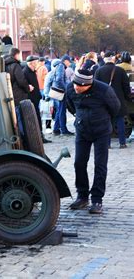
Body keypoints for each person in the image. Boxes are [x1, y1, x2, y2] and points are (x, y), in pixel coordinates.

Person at [66, 69, 120, 214]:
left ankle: (97, 199)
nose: (77, 88)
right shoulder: (71, 88)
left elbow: (115, 108)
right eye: (75, 84)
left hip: (101, 131)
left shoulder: (104, 90)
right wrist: (80, 118)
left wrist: (102, 119)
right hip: (82, 130)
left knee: (100, 165)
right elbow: (70, 105)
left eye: (81, 86)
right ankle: (82, 196)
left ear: (89, 85)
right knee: (79, 163)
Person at [94, 51, 131, 148]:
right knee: (120, 121)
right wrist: (128, 97)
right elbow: (126, 86)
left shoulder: (99, 71)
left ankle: (108, 144)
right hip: (119, 99)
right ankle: (122, 143)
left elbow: (95, 87)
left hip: (105, 101)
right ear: (113, 59)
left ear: (104, 59)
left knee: (107, 122)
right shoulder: (120, 70)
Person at [24, 55, 51, 143]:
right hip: (31, 99)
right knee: (35, 119)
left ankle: (41, 136)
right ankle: (39, 137)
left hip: (35, 98)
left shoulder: (31, 71)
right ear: (32, 63)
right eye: (36, 62)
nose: (37, 64)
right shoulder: (26, 72)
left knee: (38, 118)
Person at [52, 55, 74, 136]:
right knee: (62, 111)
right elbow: (59, 80)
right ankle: (63, 130)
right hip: (62, 92)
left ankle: (56, 129)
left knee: (59, 111)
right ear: (65, 61)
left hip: (59, 91)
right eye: (69, 62)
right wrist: (66, 89)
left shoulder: (59, 66)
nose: (70, 64)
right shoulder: (61, 66)